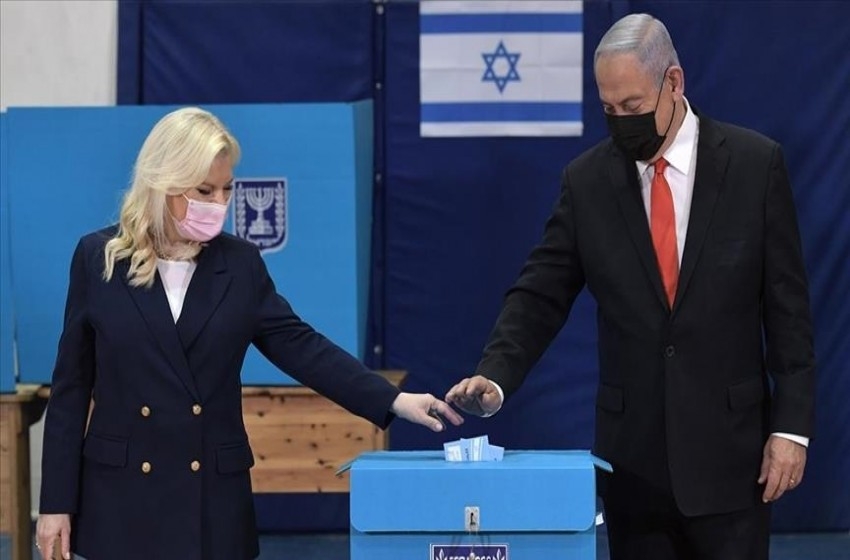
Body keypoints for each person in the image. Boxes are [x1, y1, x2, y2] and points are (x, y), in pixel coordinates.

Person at [446, 13, 814, 560]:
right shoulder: (587, 181)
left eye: (633, 106)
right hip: (634, 469)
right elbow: (540, 294)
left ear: (673, 82)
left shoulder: (755, 166)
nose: (621, 123)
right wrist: (495, 375)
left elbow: (788, 311)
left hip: (733, 461)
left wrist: (791, 429)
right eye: (609, 109)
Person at [35, 107, 463, 560]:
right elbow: (71, 389)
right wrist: (56, 504)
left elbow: (303, 348)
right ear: (163, 182)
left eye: (226, 189)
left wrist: (393, 400)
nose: (219, 203)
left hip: (210, 501)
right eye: (205, 190)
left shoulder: (239, 264)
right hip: (122, 501)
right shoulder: (98, 259)